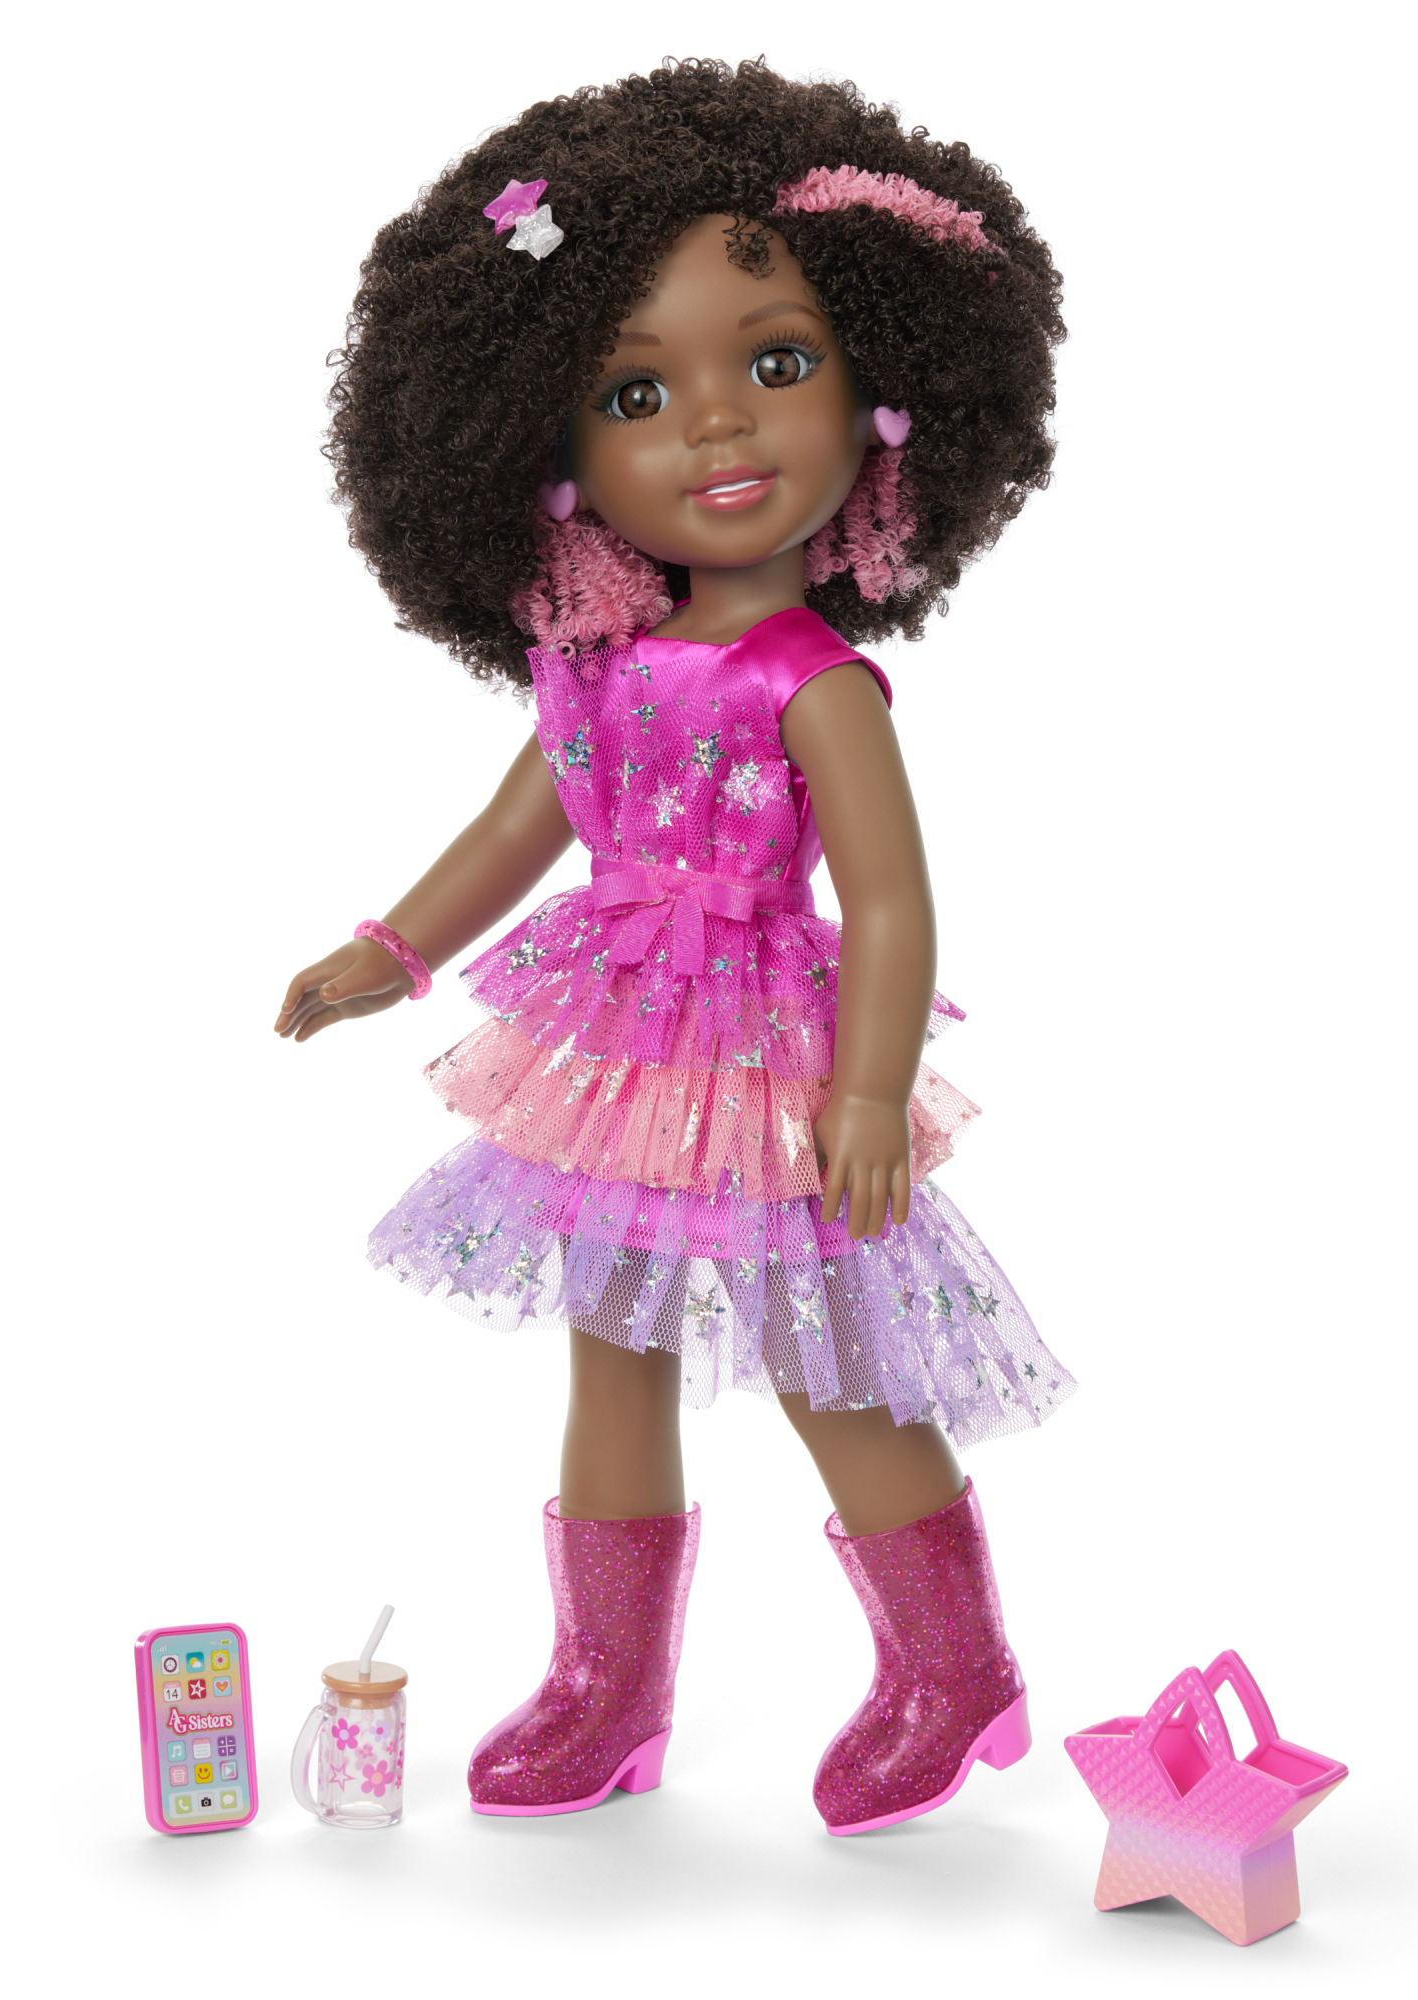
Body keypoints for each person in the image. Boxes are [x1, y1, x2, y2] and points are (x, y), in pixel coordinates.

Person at [272, 52, 1081, 1834]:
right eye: (639, 391)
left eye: (776, 364)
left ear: (888, 397)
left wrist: (869, 1091)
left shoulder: (815, 682)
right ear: (543, 453)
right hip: (616, 1044)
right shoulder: (591, 667)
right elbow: (520, 827)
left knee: (820, 1347)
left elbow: (891, 904)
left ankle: (956, 1667)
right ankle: (606, 1681)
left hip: (775, 1049)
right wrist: (391, 951)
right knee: (612, 1342)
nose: (719, 429)